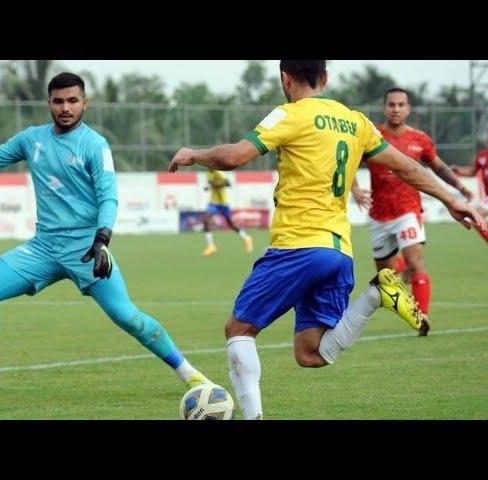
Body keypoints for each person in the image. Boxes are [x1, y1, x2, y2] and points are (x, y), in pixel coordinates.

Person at [169, 60, 485, 420]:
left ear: (285, 79)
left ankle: (253, 417)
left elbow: (232, 156)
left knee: (238, 329)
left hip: (297, 246)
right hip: (338, 251)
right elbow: (407, 168)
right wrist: (454, 201)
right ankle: (373, 296)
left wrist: (193, 154)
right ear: (326, 78)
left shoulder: (289, 114)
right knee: (312, 353)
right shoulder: (356, 121)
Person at [0, 72, 210, 406]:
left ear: (85, 103)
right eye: (58, 101)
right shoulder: (32, 139)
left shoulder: (95, 145)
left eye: (73, 101)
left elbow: (108, 197)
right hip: (42, 248)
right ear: (49, 103)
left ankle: (190, 374)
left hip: (87, 251)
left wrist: (102, 240)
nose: (66, 107)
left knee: (127, 317)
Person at [351, 88, 473, 337]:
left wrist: (459, 186)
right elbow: (350, 161)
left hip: (408, 211)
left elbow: (437, 166)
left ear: (408, 109)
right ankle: (403, 267)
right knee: (385, 277)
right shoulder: (372, 136)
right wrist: (354, 188)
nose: (396, 109)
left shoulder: (419, 139)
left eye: (401, 105)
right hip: (378, 215)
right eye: (391, 104)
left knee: (418, 263)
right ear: (384, 108)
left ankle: (421, 317)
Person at [201, 167, 253, 256]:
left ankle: (247, 238)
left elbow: (228, 183)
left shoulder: (219, 173)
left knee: (231, 224)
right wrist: (213, 185)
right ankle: (211, 246)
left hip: (223, 203)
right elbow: (212, 183)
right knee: (206, 220)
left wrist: (217, 184)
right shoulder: (208, 173)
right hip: (213, 202)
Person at [451, 143, 488, 243]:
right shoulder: (482, 156)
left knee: (477, 219)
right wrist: (459, 171)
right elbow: (472, 172)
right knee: (476, 220)